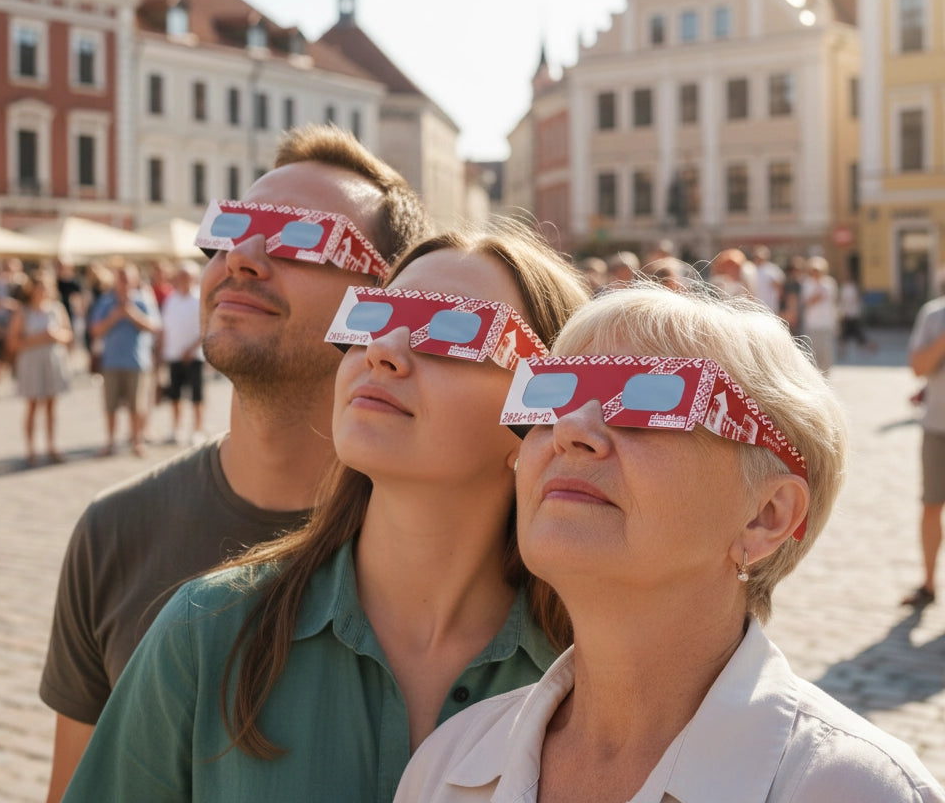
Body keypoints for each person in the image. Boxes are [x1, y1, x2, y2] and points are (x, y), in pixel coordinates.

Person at [60, 220, 589, 802]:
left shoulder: (596, 677)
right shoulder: (206, 632)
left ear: (543, 414)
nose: (383, 351)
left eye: (451, 331)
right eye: (373, 318)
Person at [394, 282, 945, 803]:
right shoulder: (445, 765)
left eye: (649, 398)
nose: (570, 429)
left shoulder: (861, 790)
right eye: (553, 394)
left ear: (766, 515)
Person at [40, 125, 431, 803]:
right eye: (231, 227)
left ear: (383, 304)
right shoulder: (114, 531)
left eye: (302, 238)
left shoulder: (443, 548)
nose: (243, 257)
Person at [86, 262, 161, 457]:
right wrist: (114, 317)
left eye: (127, 279)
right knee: (110, 405)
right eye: (121, 279)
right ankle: (110, 442)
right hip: (111, 362)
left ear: (135, 280)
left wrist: (132, 314)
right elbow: (95, 330)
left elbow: (154, 327)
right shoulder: (105, 301)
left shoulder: (144, 300)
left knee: (137, 406)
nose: (124, 283)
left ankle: (137, 441)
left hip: (137, 362)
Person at [903, 267, 945, 609]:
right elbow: (918, 366)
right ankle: (929, 584)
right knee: (931, 506)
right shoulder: (933, 315)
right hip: (937, 428)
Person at [6, 268, 74, 467]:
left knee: (52, 406)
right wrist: (38, 338)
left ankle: (52, 446)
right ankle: (31, 450)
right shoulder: (23, 311)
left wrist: (55, 336)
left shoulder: (56, 308)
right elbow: (12, 343)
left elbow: (68, 335)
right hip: (31, 363)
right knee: (32, 405)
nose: (43, 291)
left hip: (52, 361)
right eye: (39, 287)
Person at [158, 260, 205, 445]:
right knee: (175, 395)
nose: (182, 279)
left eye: (185, 276)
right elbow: (165, 327)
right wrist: (161, 351)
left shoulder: (200, 299)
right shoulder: (171, 299)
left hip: (194, 357)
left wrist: (192, 349)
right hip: (174, 355)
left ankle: (197, 430)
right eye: (180, 276)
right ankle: (176, 429)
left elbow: (206, 327)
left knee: (197, 396)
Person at [801, 254, 838, 373]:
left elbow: (832, 300)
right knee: (812, 352)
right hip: (812, 323)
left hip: (826, 322)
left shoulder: (829, 283)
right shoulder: (807, 284)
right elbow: (808, 301)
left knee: (826, 352)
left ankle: (826, 374)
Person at [752, 243, 785, 312]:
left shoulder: (773, 269)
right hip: (754, 306)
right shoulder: (751, 269)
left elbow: (780, 288)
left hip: (769, 306)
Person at [779, 254, 805, 338]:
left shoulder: (799, 282)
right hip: (792, 320)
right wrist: (792, 316)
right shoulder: (792, 283)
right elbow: (791, 301)